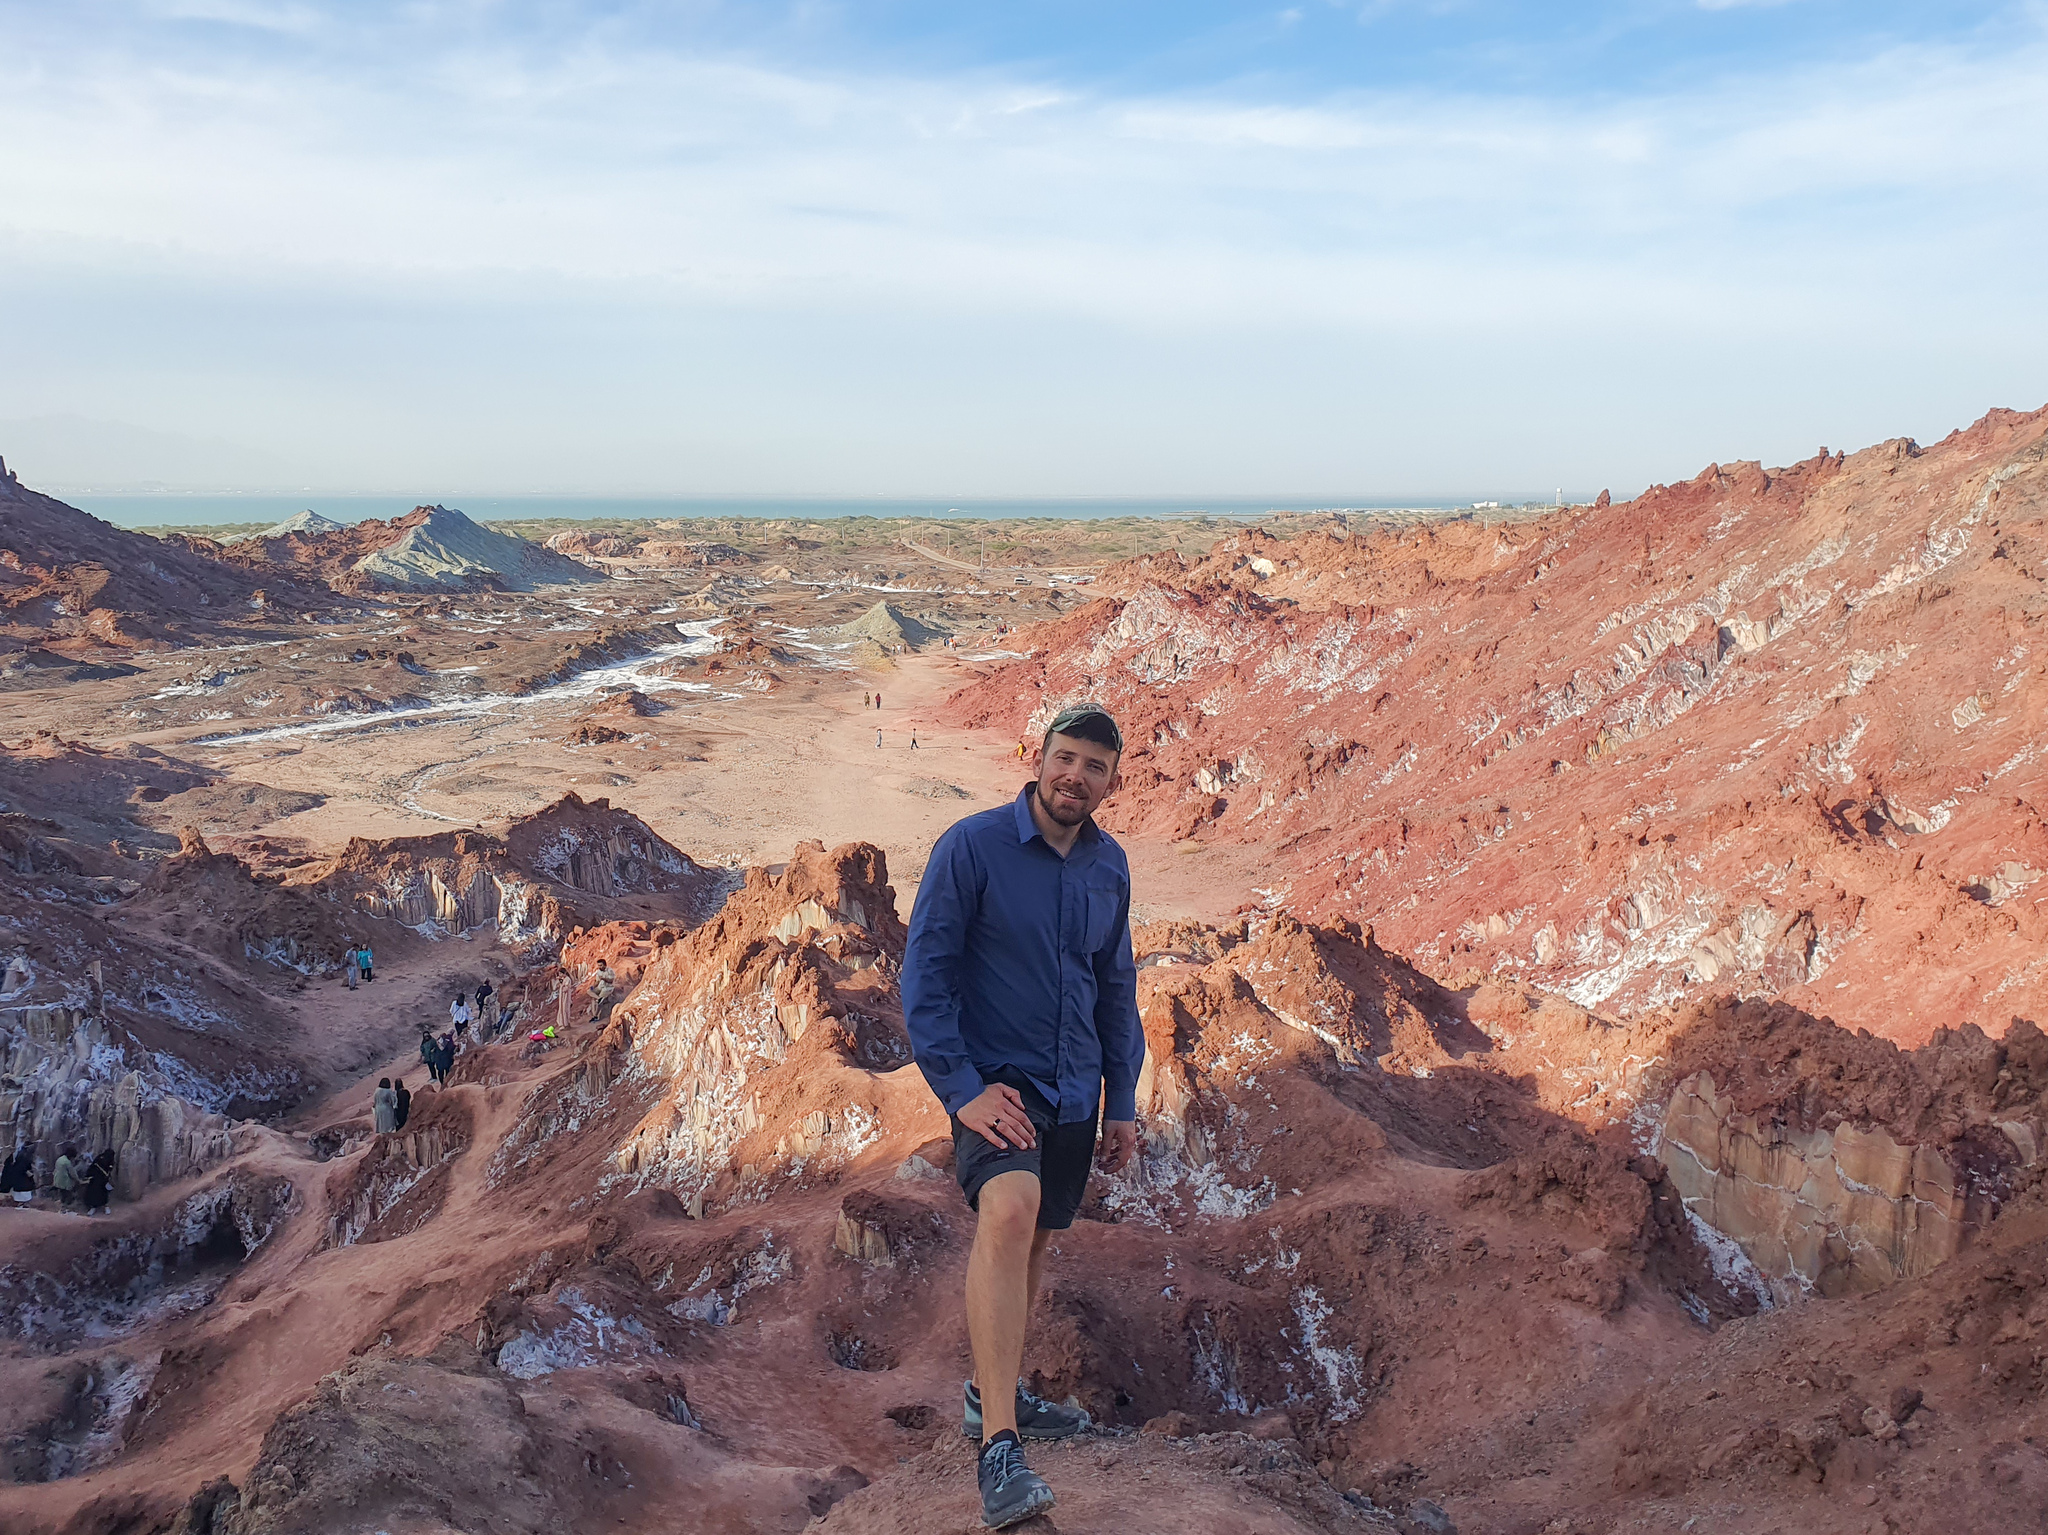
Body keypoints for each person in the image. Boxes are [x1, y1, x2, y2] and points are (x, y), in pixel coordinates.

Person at [902, 701, 1142, 1529]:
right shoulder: (972, 847)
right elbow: (925, 975)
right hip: (998, 1082)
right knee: (1009, 1210)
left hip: (1076, 1086)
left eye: (1096, 766)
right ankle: (999, 1449)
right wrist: (960, 1087)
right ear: (1038, 758)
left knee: (1038, 1237)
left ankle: (990, 1394)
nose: (1076, 775)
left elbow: (1117, 990)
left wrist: (1125, 1103)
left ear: (1114, 781)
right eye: (1066, 757)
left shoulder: (1109, 868)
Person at [81, 1149, 114, 1215]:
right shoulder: (103, 1158)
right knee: (99, 1194)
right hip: (97, 1180)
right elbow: (94, 1167)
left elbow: (92, 1167)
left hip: (99, 1180)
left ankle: (99, 1207)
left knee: (99, 1194)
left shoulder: (102, 1158)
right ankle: (97, 1207)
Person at [52, 1144, 77, 1210]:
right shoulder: (67, 1162)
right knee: (68, 1196)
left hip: (57, 1180)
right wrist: (78, 1180)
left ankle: (61, 1205)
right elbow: (72, 1174)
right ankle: (63, 1207)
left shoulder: (60, 1159)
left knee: (62, 1194)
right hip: (65, 1182)